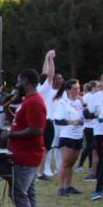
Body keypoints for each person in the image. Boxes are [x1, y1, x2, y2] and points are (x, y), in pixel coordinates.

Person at [3, 69, 47, 207]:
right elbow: (18, 124)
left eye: (18, 81)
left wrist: (10, 134)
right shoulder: (27, 101)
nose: (16, 85)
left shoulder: (35, 102)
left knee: (18, 192)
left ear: (26, 81)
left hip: (28, 155)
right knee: (28, 191)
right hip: (22, 154)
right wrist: (6, 108)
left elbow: (36, 129)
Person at [52, 79, 85, 196]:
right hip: (67, 135)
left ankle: (68, 186)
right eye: (74, 89)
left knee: (71, 163)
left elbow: (86, 115)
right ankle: (61, 187)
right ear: (68, 90)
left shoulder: (79, 102)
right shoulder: (63, 103)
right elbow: (58, 120)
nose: (77, 91)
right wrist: (71, 122)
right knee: (65, 162)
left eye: (78, 88)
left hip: (78, 135)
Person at [36, 50, 63, 181]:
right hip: (46, 121)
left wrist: (46, 59)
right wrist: (51, 59)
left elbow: (45, 72)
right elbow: (50, 74)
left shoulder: (40, 88)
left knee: (43, 148)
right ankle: (39, 173)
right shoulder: (44, 88)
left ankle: (39, 172)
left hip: (44, 121)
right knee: (44, 149)